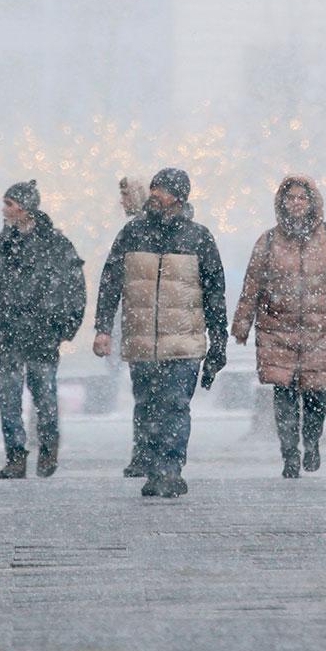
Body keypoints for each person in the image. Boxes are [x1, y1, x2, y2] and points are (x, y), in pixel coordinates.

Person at [92, 168, 227, 498]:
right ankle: (154, 467)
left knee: (176, 404)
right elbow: (110, 281)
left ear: (178, 198)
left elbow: (214, 293)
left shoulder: (198, 238)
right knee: (148, 405)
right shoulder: (132, 234)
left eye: (162, 190)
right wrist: (102, 328)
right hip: (143, 342)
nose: (154, 194)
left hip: (184, 342)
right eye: (153, 188)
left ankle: (170, 467)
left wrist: (218, 340)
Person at [232, 175, 326, 478]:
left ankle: (311, 441)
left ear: (311, 202)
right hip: (278, 329)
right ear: (282, 203)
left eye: (302, 198)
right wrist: (242, 323)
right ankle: (289, 453)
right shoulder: (269, 240)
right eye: (291, 198)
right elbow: (252, 285)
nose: (296, 203)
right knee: (284, 394)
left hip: (321, 330)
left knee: (318, 394)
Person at [0, 180, 88, 480]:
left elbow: (75, 290)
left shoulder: (56, 246)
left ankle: (46, 451)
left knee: (43, 397)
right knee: (11, 400)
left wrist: (62, 327)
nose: (4, 209)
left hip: (41, 337)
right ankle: (16, 457)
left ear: (24, 207)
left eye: (9, 203)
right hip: (10, 337)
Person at [114, 174, 149, 479]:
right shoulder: (131, 232)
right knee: (146, 393)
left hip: (149, 323)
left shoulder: (136, 232)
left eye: (126, 196)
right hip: (140, 324)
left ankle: (146, 452)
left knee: (151, 395)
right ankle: (146, 451)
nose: (122, 202)